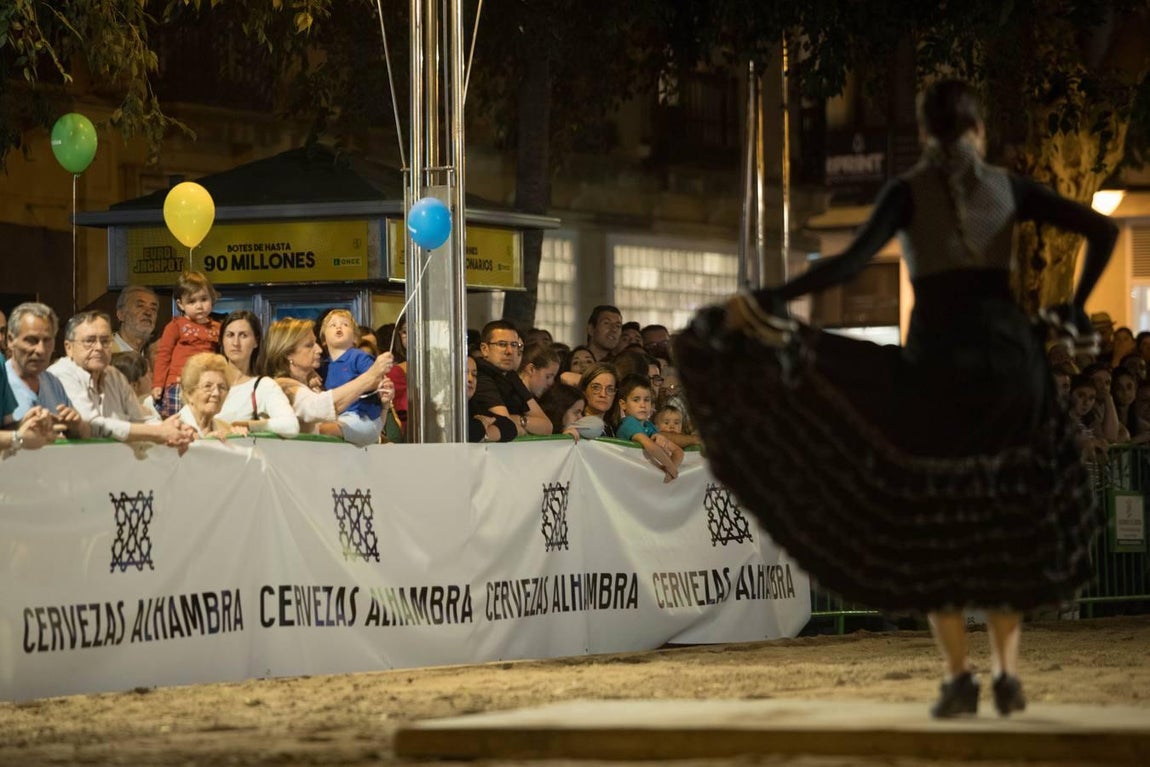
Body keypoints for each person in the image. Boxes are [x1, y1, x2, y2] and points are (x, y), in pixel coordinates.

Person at [675, 79, 1118, 719]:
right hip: (1007, 364)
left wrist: (778, 295)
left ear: (926, 130)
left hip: (939, 365)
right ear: (978, 129)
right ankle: (1007, 672)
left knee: (933, 520)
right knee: (1006, 514)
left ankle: (960, 676)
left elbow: (851, 262)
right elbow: (1101, 231)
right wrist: (1074, 309)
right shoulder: (1008, 187)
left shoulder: (907, 191)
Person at [49, 310, 193, 447]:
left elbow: (141, 419)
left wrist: (175, 430)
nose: (99, 347)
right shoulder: (61, 374)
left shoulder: (113, 375)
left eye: (105, 341)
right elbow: (93, 425)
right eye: (90, 341)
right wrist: (159, 432)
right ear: (69, 347)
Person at [264, 317, 393, 441]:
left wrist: (384, 406)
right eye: (309, 345)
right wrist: (369, 376)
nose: (319, 349)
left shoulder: (315, 387)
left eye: (316, 343)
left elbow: (364, 432)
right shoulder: (281, 388)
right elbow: (322, 407)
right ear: (288, 353)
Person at [5, 302, 88, 439]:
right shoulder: (4, 381)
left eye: (47, 341)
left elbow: (83, 434)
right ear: (10, 340)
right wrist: (19, 431)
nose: (41, 350)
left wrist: (76, 426)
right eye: (32, 340)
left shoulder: (53, 382)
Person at [217, 310, 299, 438]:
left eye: (243, 335)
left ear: (256, 341)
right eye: (230, 335)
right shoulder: (208, 383)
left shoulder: (264, 386)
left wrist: (250, 426)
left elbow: (291, 426)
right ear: (222, 340)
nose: (236, 343)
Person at [152, 271, 221, 418]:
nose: (199, 306)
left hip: (205, 385)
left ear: (212, 298)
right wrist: (158, 384)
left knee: (202, 421)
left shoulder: (217, 328)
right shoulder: (176, 325)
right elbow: (163, 355)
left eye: (204, 299)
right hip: (178, 384)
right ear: (180, 304)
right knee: (177, 422)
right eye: (192, 301)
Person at [471, 320, 552, 436]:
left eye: (514, 345)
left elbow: (547, 426)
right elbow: (507, 426)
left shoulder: (511, 375)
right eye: (502, 344)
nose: (509, 351)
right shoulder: (481, 374)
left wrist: (520, 421)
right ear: (485, 349)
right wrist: (527, 425)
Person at [320, 309, 384, 446]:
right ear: (323, 339)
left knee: (323, 429)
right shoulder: (323, 365)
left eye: (345, 324)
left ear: (355, 337)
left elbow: (375, 379)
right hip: (337, 417)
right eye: (332, 325)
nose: (338, 327)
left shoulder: (359, 357)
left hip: (362, 418)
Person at [614, 373, 683, 482]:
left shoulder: (648, 426)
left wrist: (668, 473)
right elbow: (650, 446)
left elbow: (678, 451)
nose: (643, 405)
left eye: (647, 400)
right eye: (636, 400)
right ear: (623, 404)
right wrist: (671, 468)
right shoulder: (629, 422)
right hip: (626, 479)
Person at [176, 353, 243, 439]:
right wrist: (207, 441)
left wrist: (238, 438)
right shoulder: (175, 429)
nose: (216, 393)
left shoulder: (225, 428)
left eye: (221, 387)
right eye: (208, 386)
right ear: (190, 393)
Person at [466, 356, 516, 443]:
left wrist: (484, 435)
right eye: (464, 373)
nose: (470, 379)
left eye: (474, 375)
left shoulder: (473, 406)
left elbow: (509, 427)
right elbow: (469, 431)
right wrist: (481, 424)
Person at [112, 285, 160, 355]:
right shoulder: (104, 353)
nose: (148, 312)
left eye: (153, 308)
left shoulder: (153, 357)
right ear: (121, 314)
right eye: (140, 306)